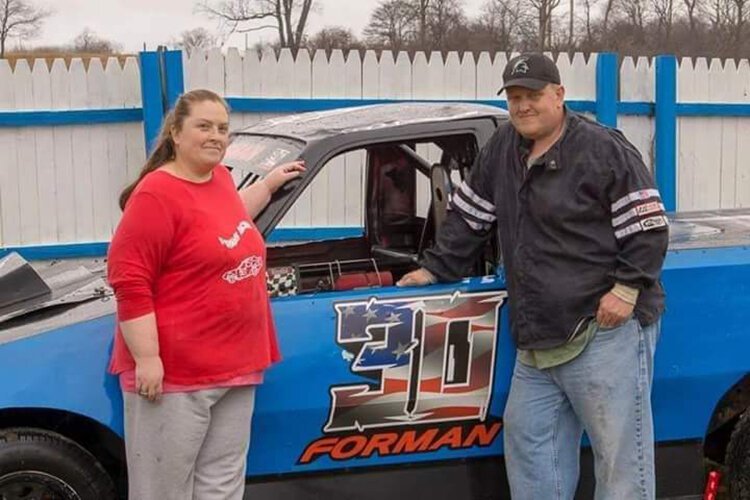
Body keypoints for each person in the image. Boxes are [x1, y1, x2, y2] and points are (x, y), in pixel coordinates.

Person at [398, 53, 669, 499]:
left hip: (602, 330)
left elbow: (649, 227)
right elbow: (469, 218)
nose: (523, 106)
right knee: (529, 444)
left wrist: (626, 288)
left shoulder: (603, 150)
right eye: (515, 97)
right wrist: (434, 269)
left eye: (534, 95)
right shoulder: (503, 148)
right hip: (537, 337)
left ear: (559, 95)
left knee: (620, 461)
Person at [107, 88, 305, 500]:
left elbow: (227, 219)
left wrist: (268, 185)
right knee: (163, 491)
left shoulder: (219, 179)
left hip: (236, 365)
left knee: (222, 486)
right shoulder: (155, 195)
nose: (216, 136)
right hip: (179, 376)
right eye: (204, 126)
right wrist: (147, 358)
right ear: (176, 133)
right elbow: (130, 280)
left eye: (222, 128)